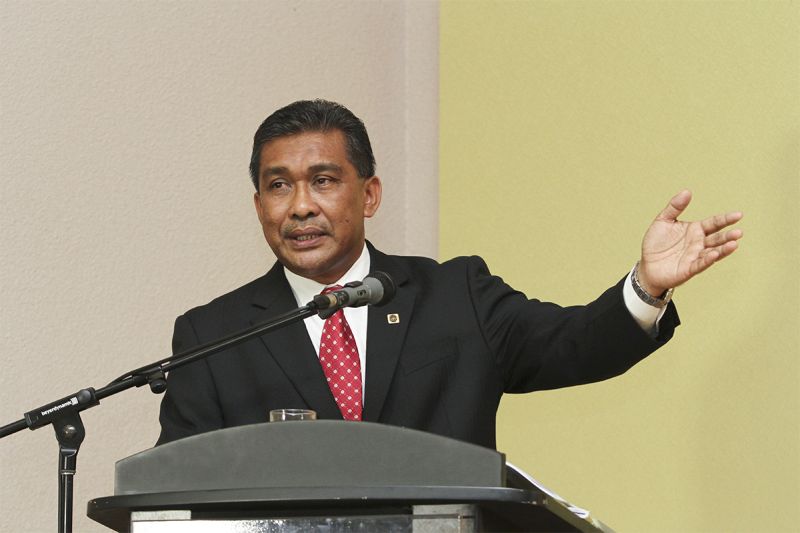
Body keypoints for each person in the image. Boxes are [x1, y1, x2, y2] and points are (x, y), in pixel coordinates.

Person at [156, 99, 742, 449]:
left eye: (325, 181)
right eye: (278, 185)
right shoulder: (212, 336)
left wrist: (646, 286)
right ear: (258, 203)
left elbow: (574, 344)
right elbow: (173, 496)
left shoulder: (455, 297)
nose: (301, 205)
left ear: (369, 195)